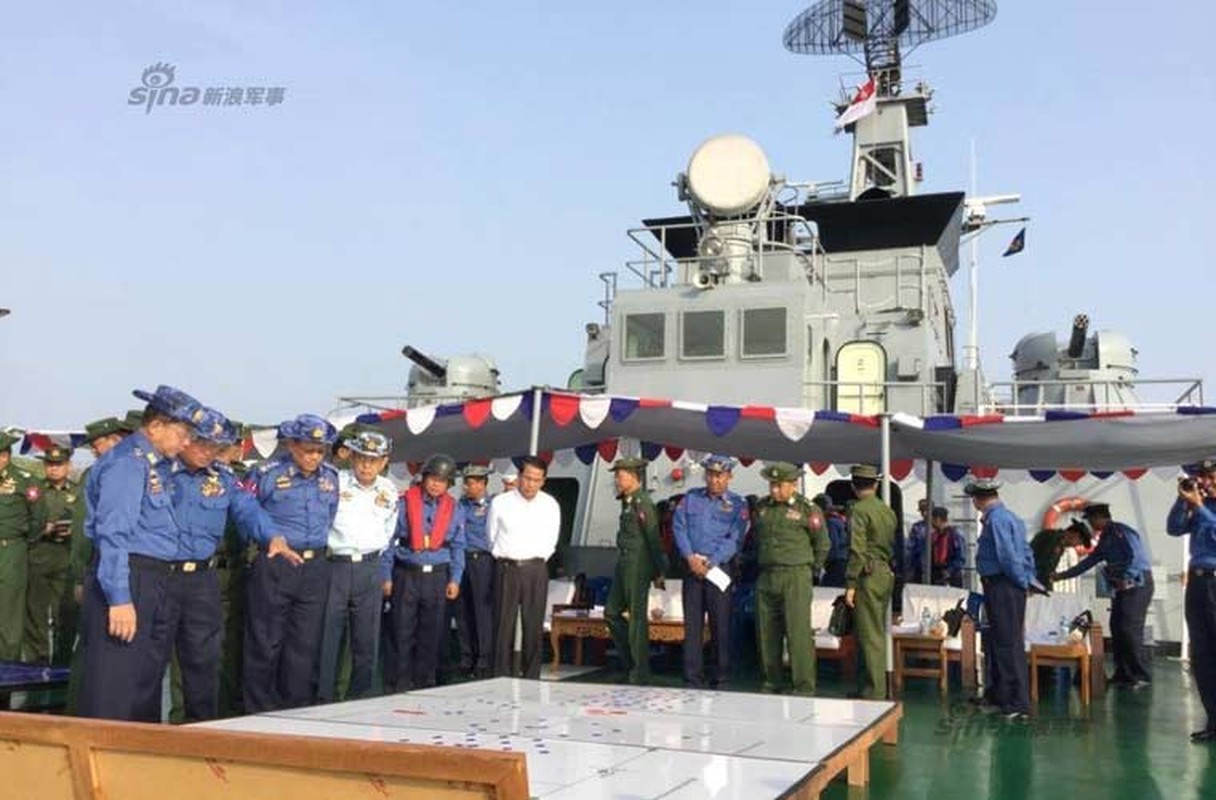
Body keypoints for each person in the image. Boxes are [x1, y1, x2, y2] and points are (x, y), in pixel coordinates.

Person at [77, 385, 202, 721]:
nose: (187, 442)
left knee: (143, 686)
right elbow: (113, 534)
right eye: (183, 432)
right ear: (156, 426)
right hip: (129, 576)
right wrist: (119, 598)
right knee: (114, 686)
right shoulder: (127, 465)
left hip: (155, 577)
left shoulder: (157, 466)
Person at [166, 408, 268, 721]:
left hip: (214, 574)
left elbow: (248, 512)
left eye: (220, 446)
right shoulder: (164, 473)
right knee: (171, 657)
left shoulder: (228, 479)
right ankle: (175, 718)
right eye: (208, 445)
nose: (215, 452)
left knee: (211, 653)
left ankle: (208, 719)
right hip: (169, 574)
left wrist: (271, 537)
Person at [243, 414, 340, 712]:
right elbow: (246, 512)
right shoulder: (267, 474)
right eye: (308, 449)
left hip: (314, 567)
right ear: (292, 445)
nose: (314, 456)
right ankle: (258, 710)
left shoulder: (330, 477)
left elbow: (331, 514)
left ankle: (296, 709)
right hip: (276, 565)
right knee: (266, 641)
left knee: (305, 642)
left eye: (320, 450)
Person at [317, 429, 397, 702]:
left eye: (373, 460)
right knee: (329, 636)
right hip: (335, 566)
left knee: (366, 640)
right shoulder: (336, 483)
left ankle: (360, 698)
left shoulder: (389, 489)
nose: (366, 465)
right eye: (362, 457)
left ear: (384, 461)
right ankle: (323, 699)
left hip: (369, 568)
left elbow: (389, 530)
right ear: (352, 456)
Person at [64, 415, 136, 713]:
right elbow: (84, 532)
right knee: (94, 649)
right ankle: (77, 713)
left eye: (98, 445)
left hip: (136, 571)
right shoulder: (98, 473)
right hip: (104, 569)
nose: (95, 452)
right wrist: (81, 576)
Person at [383, 453, 466, 691]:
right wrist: (386, 576)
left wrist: (456, 579)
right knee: (401, 630)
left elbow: (459, 545)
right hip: (407, 573)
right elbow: (389, 542)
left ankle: (425, 682)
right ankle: (398, 682)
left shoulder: (455, 509)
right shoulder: (403, 503)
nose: (436, 483)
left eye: (442, 480)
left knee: (432, 632)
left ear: (449, 484)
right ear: (424, 478)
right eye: (432, 478)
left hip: (438, 576)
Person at [1052, 502, 1153, 688]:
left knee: (1130, 630)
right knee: (1117, 628)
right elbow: (1089, 562)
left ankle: (1140, 675)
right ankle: (1123, 673)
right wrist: (1060, 576)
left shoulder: (1121, 532)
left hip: (1137, 586)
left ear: (1099, 518)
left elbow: (1136, 557)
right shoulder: (1106, 538)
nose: (1090, 523)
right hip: (1121, 588)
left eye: (1090, 519)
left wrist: (1128, 578)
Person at [752, 462, 828, 695]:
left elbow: (822, 544)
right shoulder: (762, 508)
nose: (774, 490)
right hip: (767, 575)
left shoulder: (808, 510)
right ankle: (771, 681)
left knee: (798, 633)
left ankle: (803, 685)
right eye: (772, 485)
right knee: (766, 632)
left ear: (793, 485)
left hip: (795, 574)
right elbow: (756, 537)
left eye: (779, 485)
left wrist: (811, 570)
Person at [672, 455, 747, 689]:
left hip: (718, 569)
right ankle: (692, 676)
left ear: (729, 477)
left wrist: (712, 561)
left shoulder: (738, 504)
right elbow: (679, 527)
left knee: (720, 624)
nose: (715, 480)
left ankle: (721, 676)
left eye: (720, 475)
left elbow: (735, 538)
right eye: (711, 475)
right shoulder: (691, 498)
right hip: (692, 566)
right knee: (692, 626)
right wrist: (690, 557)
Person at [967, 477, 1036, 721]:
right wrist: (1028, 579)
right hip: (1003, 585)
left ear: (978, 499)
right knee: (998, 641)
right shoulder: (1010, 518)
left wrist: (1021, 581)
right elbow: (1026, 552)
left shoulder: (995, 520)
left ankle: (1017, 702)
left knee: (1007, 643)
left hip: (1004, 585)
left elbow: (1007, 556)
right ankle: (999, 694)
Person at [488, 456, 561, 679]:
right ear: (519, 477)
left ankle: (531, 676)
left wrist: (535, 561)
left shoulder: (550, 504)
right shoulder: (501, 502)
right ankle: (499, 675)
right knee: (503, 626)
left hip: (535, 568)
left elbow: (552, 540)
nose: (530, 484)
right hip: (507, 567)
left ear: (543, 481)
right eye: (527, 478)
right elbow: (491, 537)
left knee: (533, 625)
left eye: (536, 480)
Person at [604, 458, 666, 685]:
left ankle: (640, 670)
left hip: (638, 565)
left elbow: (653, 538)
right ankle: (631, 660)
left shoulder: (643, 503)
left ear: (633, 476)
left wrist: (659, 570)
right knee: (611, 612)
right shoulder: (627, 501)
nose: (617, 480)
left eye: (620, 476)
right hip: (624, 562)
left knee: (637, 618)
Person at [1167, 459, 1216, 742]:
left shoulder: (1204, 508)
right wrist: (1182, 501)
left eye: (1210, 476)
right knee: (1203, 655)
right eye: (1202, 477)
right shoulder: (1201, 505)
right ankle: (1213, 720)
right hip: (1197, 583)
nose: (1205, 482)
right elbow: (1174, 528)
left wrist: (1198, 506)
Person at [844, 464, 897, 700]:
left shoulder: (858, 510)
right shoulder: (887, 511)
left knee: (869, 634)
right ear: (875, 485)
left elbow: (857, 550)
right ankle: (869, 686)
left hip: (868, 573)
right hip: (884, 571)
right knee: (872, 630)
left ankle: (874, 690)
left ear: (854, 486)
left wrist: (851, 584)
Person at [25, 444, 77, 665]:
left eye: (59, 465)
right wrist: (40, 528)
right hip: (38, 555)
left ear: (68, 466)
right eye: (50, 465)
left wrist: (73, 528)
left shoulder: (78, 492)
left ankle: (62, 659)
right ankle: (38, 659)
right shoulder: (34, 491)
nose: (54, 469)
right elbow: (21, 519)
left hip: (66, 557)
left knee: (64, 614)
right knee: (35, 614)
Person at [0, 429, 39, 661]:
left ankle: (7, 670)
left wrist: (22, 542)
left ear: (5, 456)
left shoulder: (24, 480)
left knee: (9, 616)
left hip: (11, 551)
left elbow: (38, 518)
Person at [454, 465, 495, 678]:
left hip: (482, 560)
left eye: (476, 482)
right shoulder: (460, 505)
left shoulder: (493, 505)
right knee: (462, 611)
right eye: (468, 482)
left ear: (484, 483)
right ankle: (466, 655)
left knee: (482, 611)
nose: (471, 486)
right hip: (461, 560)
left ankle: (484, 658)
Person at [1030, 521, 1091, 592]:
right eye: (1079, 542)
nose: (1076, 545)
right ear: (1074, 535)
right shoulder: (1051, 538)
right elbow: (1042, 564)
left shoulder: (1060, 545)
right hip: (1032, 580)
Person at [816, 493, 850, 588]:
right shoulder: (839, 520)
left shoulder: (830, 523)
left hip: (836, 564)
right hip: (842, 561)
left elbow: (832, 546)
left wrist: (820, 562)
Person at [928, 507, 966, 588]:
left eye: (932, 519)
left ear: (938, 519)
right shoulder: (934, 536)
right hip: (937, 574)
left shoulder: (954, 535)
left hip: (952, 576)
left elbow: (960, 558)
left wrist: (949, 571)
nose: (931, 522)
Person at [906, 498, 931, 583]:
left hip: (934, 567)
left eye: (926, 511)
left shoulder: (938, 526)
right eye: (922, 511)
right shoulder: (917, 527)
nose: (924, 513)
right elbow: (911, 548)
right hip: (918, 565)